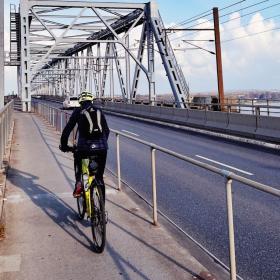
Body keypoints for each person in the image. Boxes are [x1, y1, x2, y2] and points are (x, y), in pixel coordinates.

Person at [59, 91, 110, 200]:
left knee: (79, 161)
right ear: (91, 100)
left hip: (84, 148)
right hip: (102, 148)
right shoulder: (99, 110)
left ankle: (78, 183)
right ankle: (102, 211)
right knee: (99, 177)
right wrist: (102, 143)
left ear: (80, 101)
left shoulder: (78, 111)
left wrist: (64, 146)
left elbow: (67, 130)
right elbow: (107, 131)